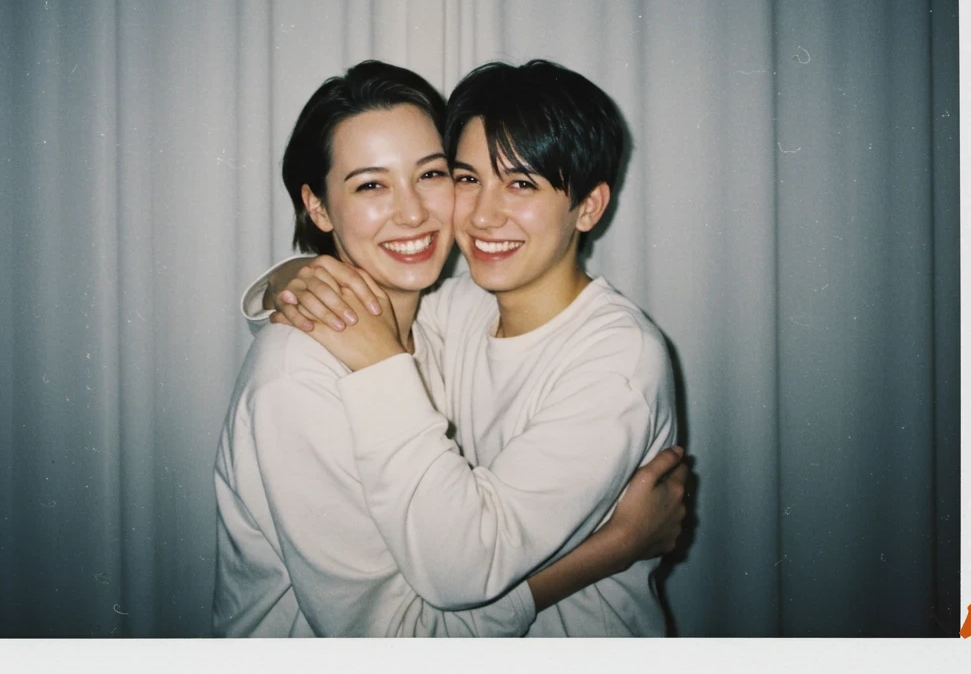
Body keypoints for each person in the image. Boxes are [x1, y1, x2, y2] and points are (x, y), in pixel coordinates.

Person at [214, 60, 687, 637]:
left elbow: (461, 566)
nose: (482, 214)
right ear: (316, 206)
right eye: (468, 178)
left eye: (432, 175)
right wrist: (617, 546)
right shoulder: (321, 368)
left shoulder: (582, 349)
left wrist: (316, 294)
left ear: (589, 206)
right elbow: (402, 635)